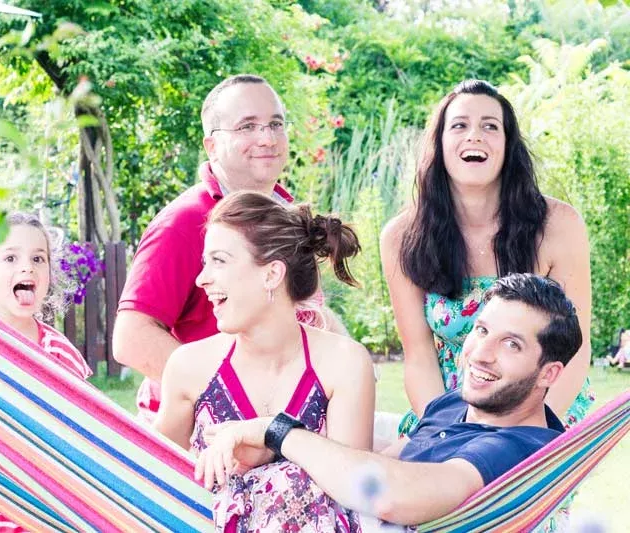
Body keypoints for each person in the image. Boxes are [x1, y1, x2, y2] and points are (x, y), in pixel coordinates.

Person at [196, 274, 581, 528]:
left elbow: (388, 494)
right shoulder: (455, 404)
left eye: (511, 344)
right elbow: (387, 461)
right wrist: (274, 452)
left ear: (549, 373)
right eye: (481, 330)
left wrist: (278, 432)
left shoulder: (522, 451)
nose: (481, 353)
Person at [114, 74, 344, 423]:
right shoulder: (185, 221)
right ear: (212, 145)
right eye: (247, 126)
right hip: (199, 439)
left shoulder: (283, 212)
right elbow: (132, 338)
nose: (266, 138)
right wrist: (230, 403)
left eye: (275, 124)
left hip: (281, 427)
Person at [379, 79, 593, 436]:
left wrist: (525, 435)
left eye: (490, 126)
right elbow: (419, 358)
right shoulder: (402, 237)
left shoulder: (559, 225)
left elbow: (576, 348)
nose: (474, 136)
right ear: (440, 143)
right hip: (449, 411)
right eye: (459, 125)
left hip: (542, 411)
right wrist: (449, 433)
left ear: (509, 146)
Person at [155, 191, 375, 531]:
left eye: (219, 261)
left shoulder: (342, 363)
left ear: (271, 274)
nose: (202, 278)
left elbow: (352, 487)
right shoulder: (189, 367)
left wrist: (269, 445)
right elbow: (154, 480)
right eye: (204, 262)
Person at [0, 212, 91, 533]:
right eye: (11, 257)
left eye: (39, 259)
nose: (28, 267)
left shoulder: (59, 356)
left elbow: (84, 437)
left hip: (45, 515)